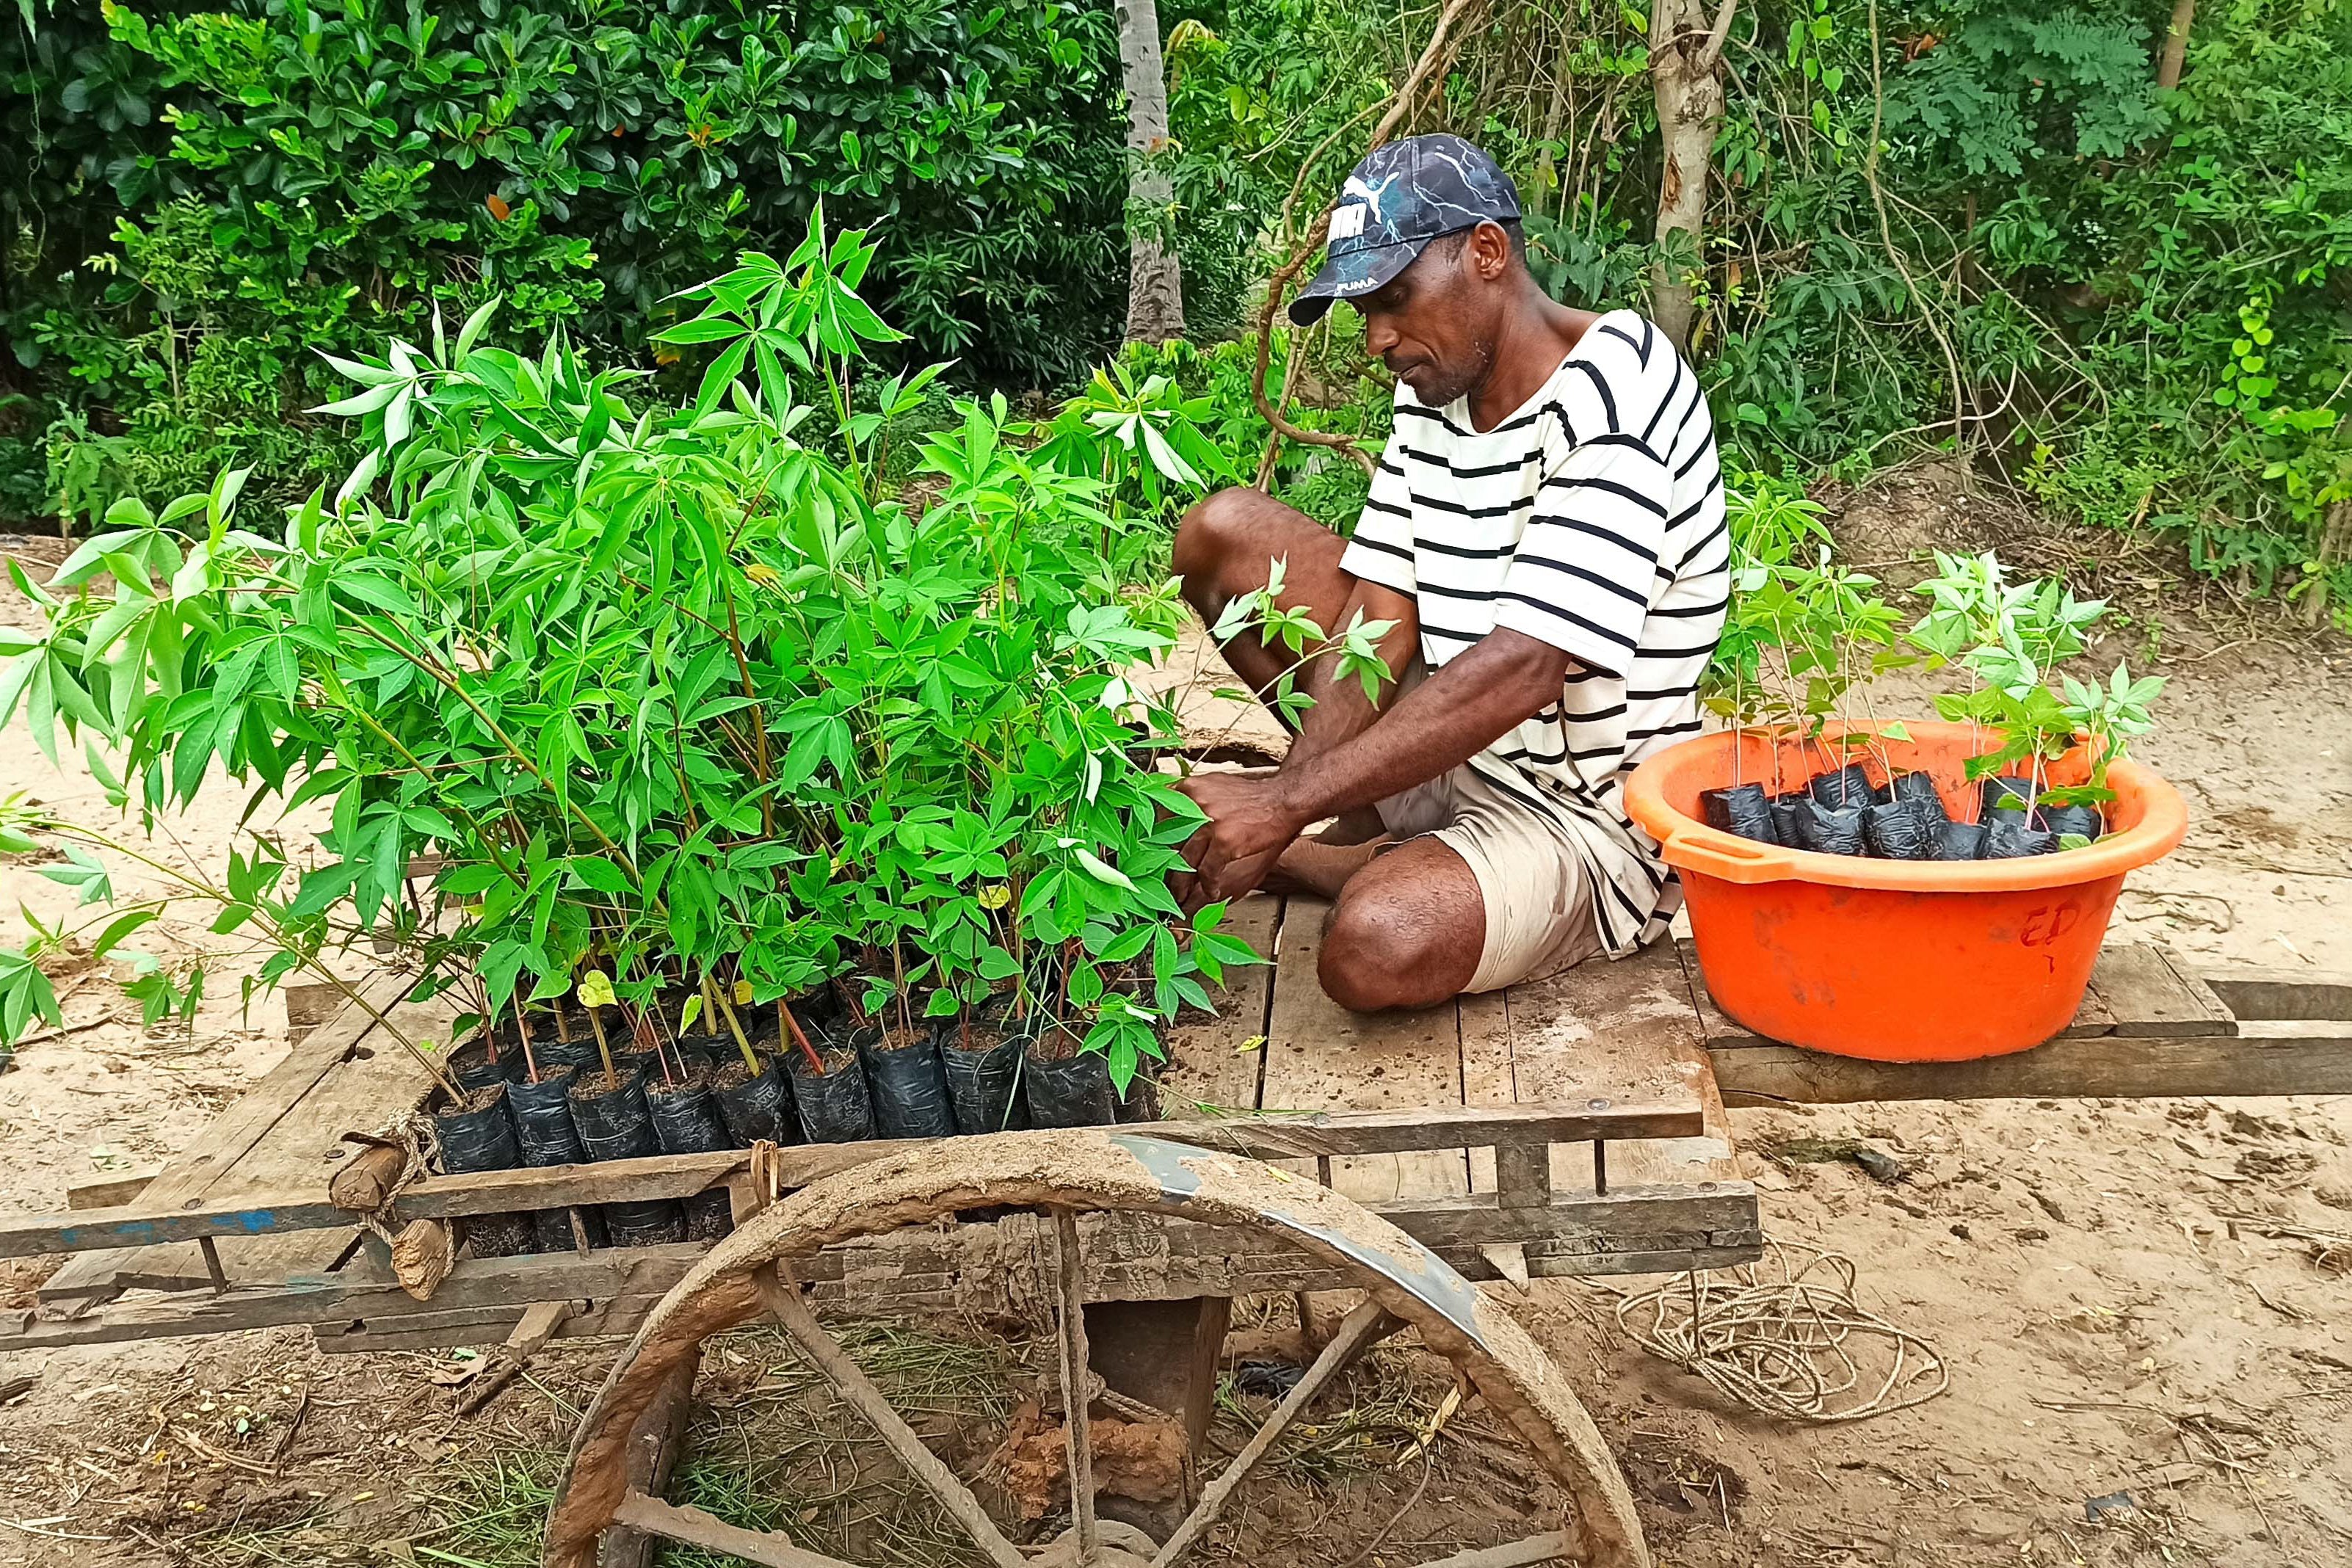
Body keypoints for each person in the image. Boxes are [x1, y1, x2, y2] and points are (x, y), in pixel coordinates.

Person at [1172, 134, 1727, 1012]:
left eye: (1395, 298)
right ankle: (1362, 825)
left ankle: (1340, 857)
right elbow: (1383, 615)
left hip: (1581, 815)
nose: (1378, 339)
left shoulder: (1617, 395)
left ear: (1487, 252)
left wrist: (1277, 808)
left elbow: (1527, 662)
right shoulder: (1434, 387)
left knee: (1373, 947)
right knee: (1223, 534)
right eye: (1364, 311)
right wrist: (1290, 796)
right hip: (1457, 744)